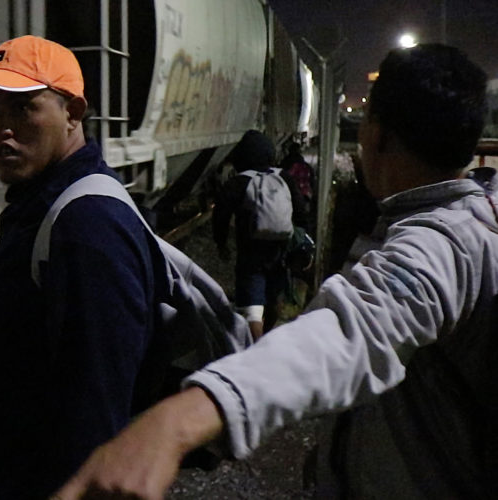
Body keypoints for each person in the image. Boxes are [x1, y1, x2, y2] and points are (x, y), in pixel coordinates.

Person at [55, 44, 497, 499]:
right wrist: (337, 454)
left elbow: (353, 332)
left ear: (376, 134)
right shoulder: (462, 219)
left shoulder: (444, 246)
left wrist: (178, 421)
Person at [0, 35, 162, 499]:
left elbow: (97, 412)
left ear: (73, 113)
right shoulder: (44, 203)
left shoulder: (86, 226)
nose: (2, 128)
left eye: (24, 108)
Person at [212, 130, 298, 340]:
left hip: (250, 251)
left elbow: (220, 215)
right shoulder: (283, 177)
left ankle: (257, 347)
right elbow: (301, 210)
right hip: (281, 249)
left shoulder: (238, 182)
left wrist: (221, 243)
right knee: (275, 295)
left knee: (252, 307)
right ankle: (267, 336)